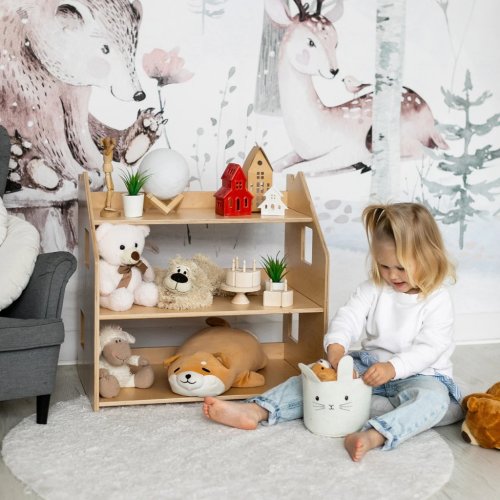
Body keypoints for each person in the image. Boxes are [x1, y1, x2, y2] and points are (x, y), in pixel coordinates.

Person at [203, 202, 462, 462]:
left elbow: (430, 348)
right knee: (313, 377)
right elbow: (348, 317)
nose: (392, 275)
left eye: (401, 268)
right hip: (370, 369)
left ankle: (375, 435)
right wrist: (336, 348)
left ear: (428, 257)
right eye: (384, 266)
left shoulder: (437, 299)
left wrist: (393, 368)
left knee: (436, 402)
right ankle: (257, 410)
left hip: (421, 375)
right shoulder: (373, 289)